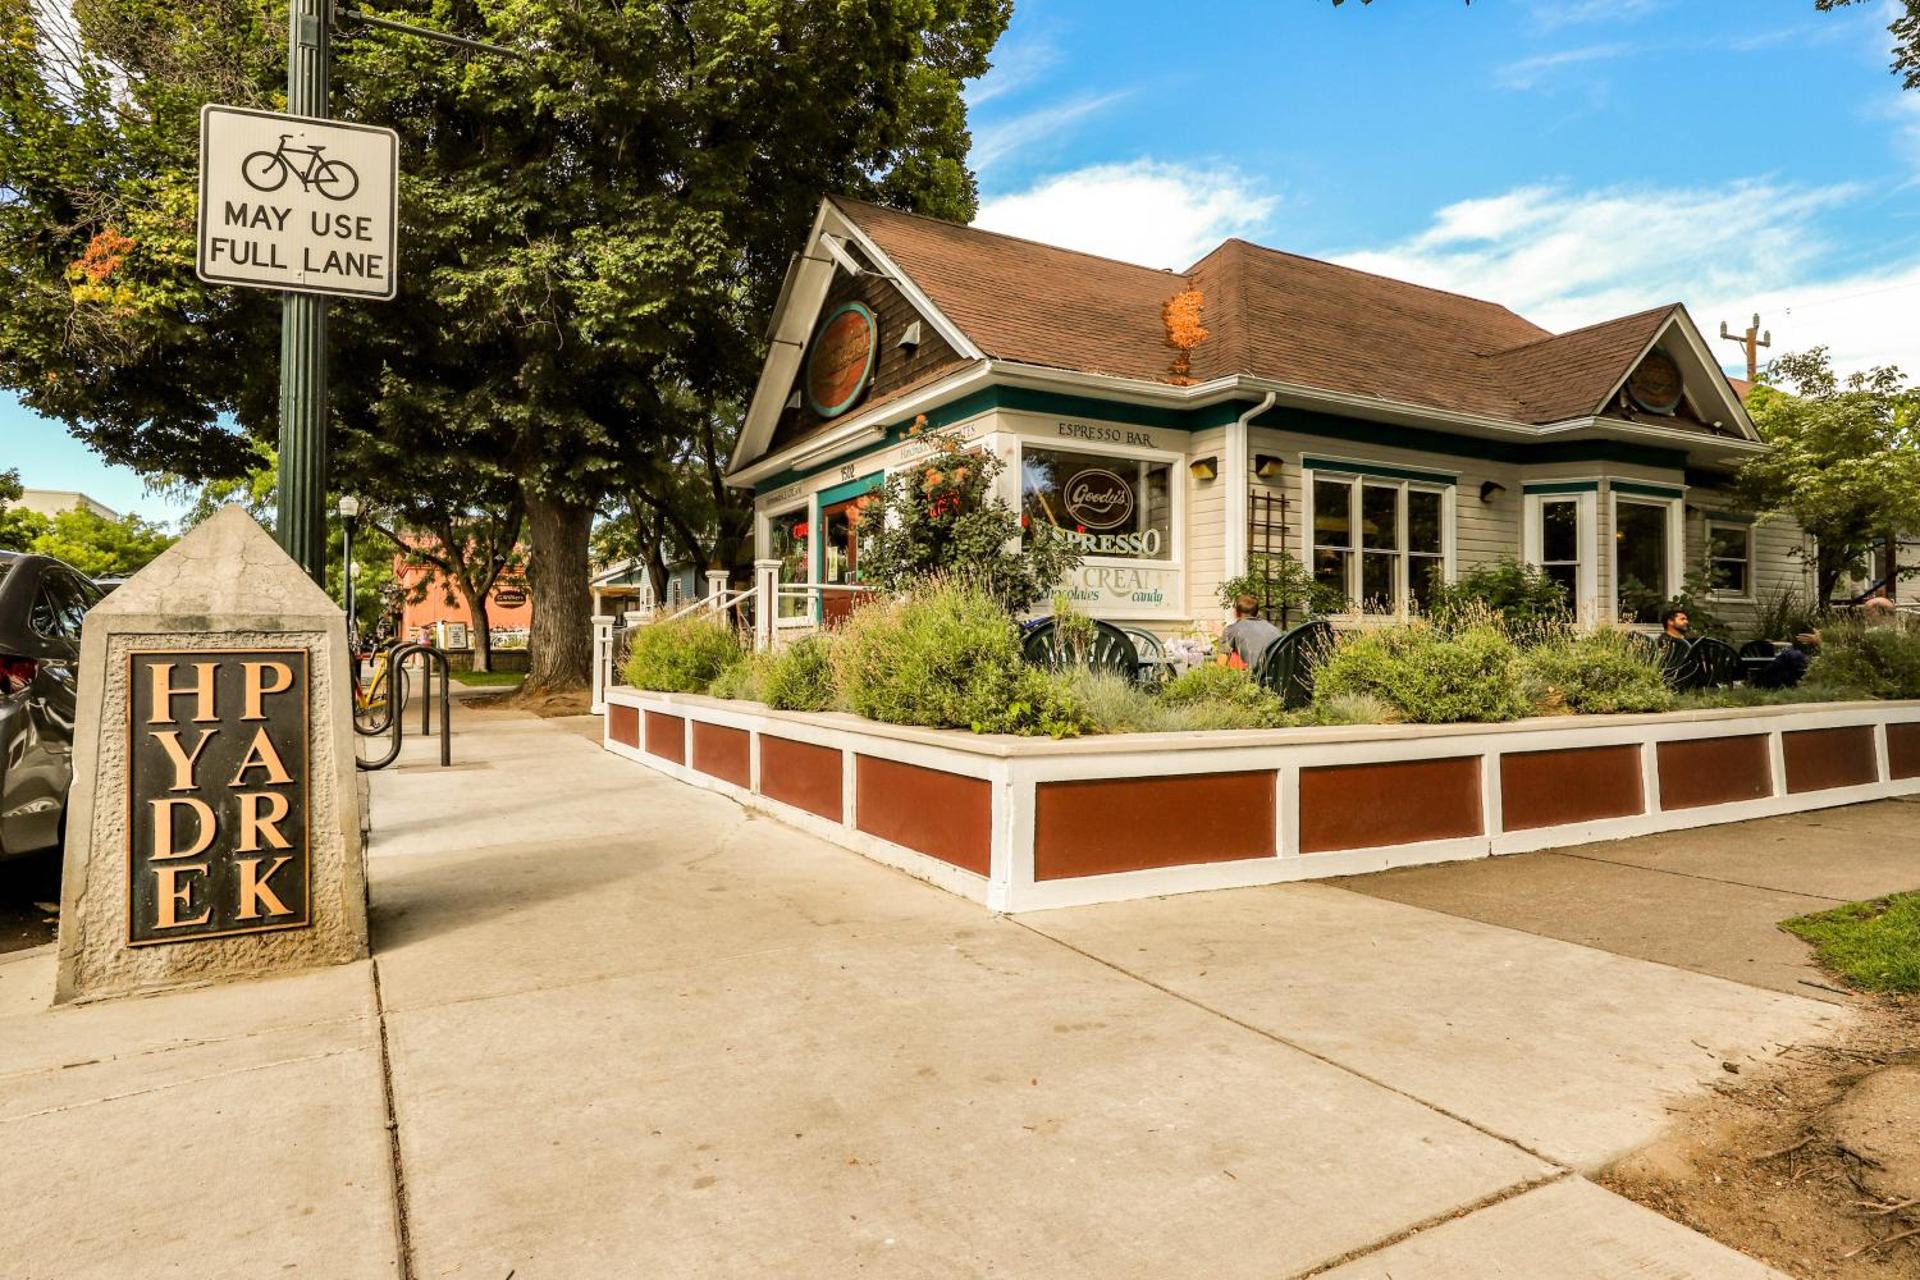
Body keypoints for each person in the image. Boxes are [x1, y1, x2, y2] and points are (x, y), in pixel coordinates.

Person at [1216, 594, 1283, 669]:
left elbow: (1220, 666)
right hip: (1280, 676)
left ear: (1237, 613)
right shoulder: (1274, 629)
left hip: (1256, 678)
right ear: (1257, 613)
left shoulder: (1232, 630)